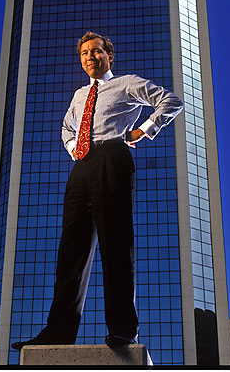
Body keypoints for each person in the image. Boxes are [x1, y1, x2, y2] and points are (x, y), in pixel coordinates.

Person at [12, 31, 183, 350]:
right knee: (70, 251)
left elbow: (170, 101)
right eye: (84, 54)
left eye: (96, 52)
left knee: (115, 244)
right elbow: (66, 126)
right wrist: (74, 147)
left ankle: (122, 328)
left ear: (109, 56)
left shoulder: (127, 83)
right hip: (83, 165)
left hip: (113, 157)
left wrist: (143, 130)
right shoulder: (79, 95)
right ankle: (59, 331)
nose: (90, 57)